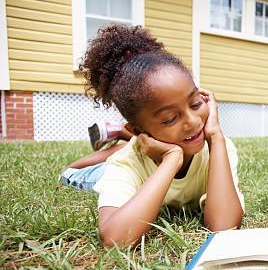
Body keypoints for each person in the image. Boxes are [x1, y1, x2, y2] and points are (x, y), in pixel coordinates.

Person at [63, 24, 243, 247]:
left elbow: (224, 226)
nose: (193, 121)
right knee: (80, 175)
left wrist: (216, 138)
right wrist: (172, 159)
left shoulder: (218, 148)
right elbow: (116, 239)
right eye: (169, 119)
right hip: (97, 173)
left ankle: (118, 138)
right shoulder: (125, 165)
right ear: (139, 131)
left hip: (138, 149)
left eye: (196, 103)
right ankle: (72, 167)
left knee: (120, 154)